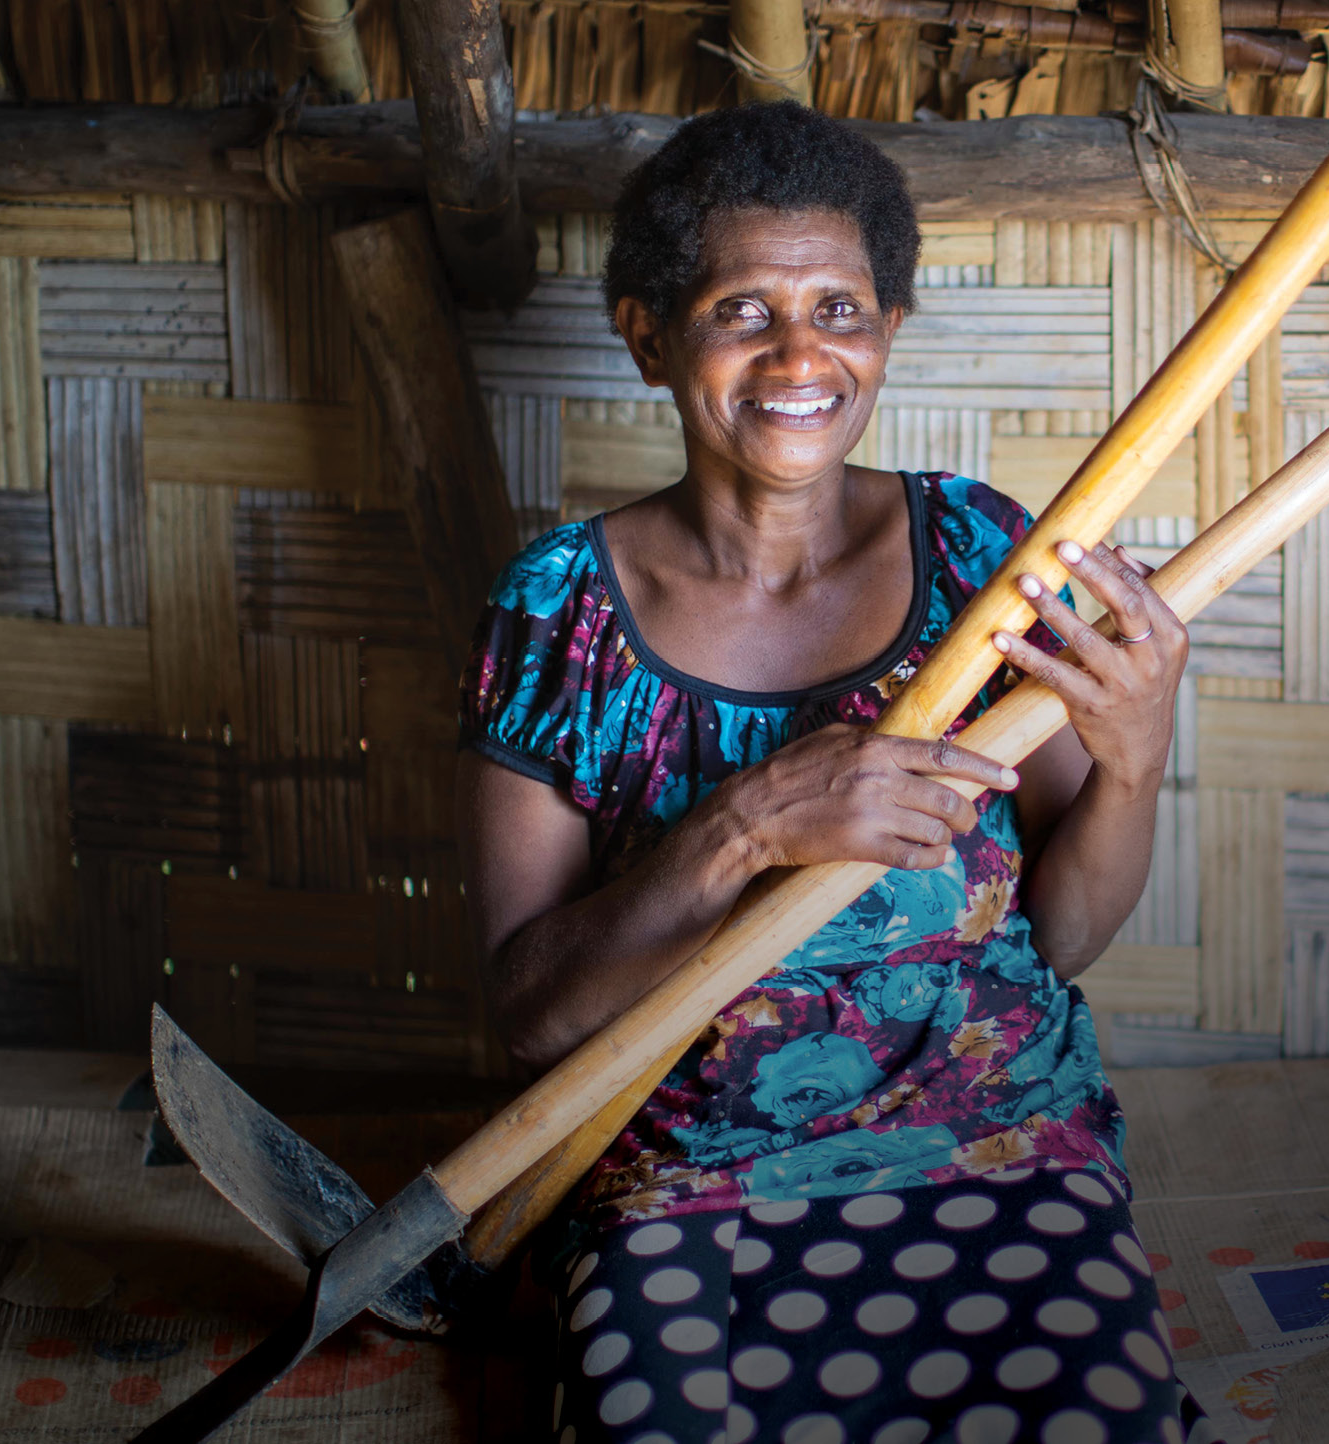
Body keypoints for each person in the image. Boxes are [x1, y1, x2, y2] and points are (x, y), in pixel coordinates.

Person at [459, 101, 1195, 1444]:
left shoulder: (986, 558)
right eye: (744, 309)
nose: (802, 352)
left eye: (841, 309)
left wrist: (1133, 764)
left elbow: (1067, 941)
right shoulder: (559, 606)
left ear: (887, 333)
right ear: (649, 335)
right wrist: (743, 825)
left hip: (993, 1140)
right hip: (676, 1175)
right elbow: (529, 1016)